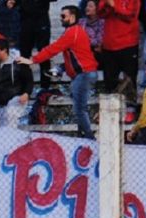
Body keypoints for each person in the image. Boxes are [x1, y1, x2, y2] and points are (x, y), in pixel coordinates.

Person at [18, 5, 98, 139]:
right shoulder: (75, 31)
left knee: (79, 109)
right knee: (79, 108)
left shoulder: (72, 32)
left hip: (83, 74)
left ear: (72, 17)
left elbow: (53, 48)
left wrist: (33, 60)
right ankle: (84, 136)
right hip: (83, 73)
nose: (61, 19)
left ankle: (89, 138)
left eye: (63, 16)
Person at [0, 38, 33, 127]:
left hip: (16, 101)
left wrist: (26, 93)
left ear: (4, 50)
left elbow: (29, 80)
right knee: (1, 129)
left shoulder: (18, 64)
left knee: (10, 121)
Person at [99, 0, 139, 94]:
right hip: (109, 46)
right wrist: (107, 5)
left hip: (128, 44)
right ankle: (111, 106)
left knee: (129, 80)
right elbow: (100, 13)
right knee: (109, 82)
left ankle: (130, 107)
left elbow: (130, 16)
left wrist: (114, 6)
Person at [17, 0, 51, 89]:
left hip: (41, 20)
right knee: (24, 55)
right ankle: (25, 87)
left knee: (44, 54)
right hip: (25, 21)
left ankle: (45, 87)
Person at [78, 0, 103, 72]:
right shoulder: (81, 22)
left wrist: (86, 40)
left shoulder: (102, 22)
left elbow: (99, 41)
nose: (87, 8)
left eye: (90, 6)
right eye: (87, 6)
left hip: (96, 52)